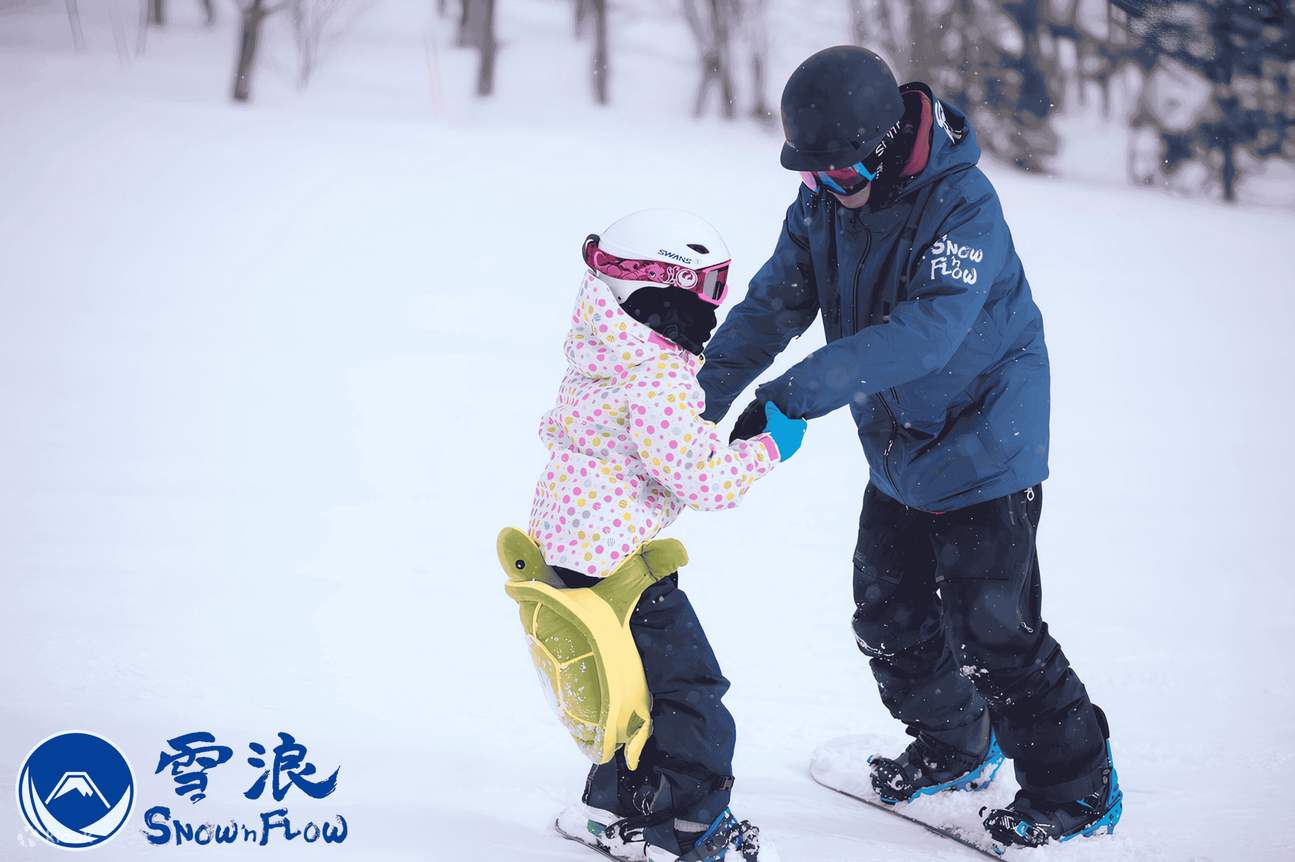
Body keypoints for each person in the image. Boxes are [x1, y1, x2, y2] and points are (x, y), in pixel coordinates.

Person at [697, 47, 1122, 849]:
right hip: (898, 443)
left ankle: (1075, 789)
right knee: (887, 615)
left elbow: (927, 334)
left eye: (836, 172)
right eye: (811, 175)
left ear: (885, 146)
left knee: (992, 630)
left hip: (987, 441)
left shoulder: (964, 206)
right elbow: (774, 303)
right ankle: (956, 745)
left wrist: (790, 396)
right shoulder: (825, 199)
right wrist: (696, 402)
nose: (821, 188)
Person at [530, 208, 802, 861]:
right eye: (706, 289)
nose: (712, 308)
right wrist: (768, 449)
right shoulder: (654, 373)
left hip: (568, 554)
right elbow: (698, 481)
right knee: (688, 691)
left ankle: (611, 803)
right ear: (660, 283)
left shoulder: (602, 350)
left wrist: (714, 442)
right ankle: (687, 825)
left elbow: (646, 447)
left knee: (631, 685)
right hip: (617, 565)